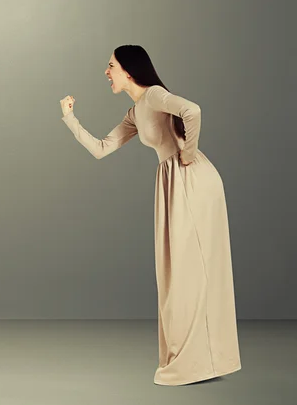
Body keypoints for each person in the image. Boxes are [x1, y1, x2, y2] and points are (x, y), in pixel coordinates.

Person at [60, 45, 241, 386]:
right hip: (171, 181)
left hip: (192, 180)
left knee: (193, 269)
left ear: (129, 70)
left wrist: (187, 154)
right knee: (176, 273)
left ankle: (203, 360)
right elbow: (101, 149)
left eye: (110, 65)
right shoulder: (135, 111)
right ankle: (198, 359)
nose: (106, 71)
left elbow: (193, 110)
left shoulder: (156, 95)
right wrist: (70, 119)